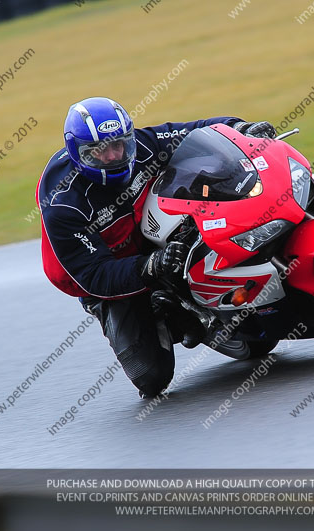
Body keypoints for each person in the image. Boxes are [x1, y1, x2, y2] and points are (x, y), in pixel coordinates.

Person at [36, 96, 276, 398]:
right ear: (77, 154)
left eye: (118, 145)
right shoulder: (63, 205)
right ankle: (175, 317)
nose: (112, 156)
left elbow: (196, 132)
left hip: (148, 232)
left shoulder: (142, 145)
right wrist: (148, 266)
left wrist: (242, 128)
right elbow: (93, 275)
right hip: (102, 271)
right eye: (98, 152)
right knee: (152, 378)